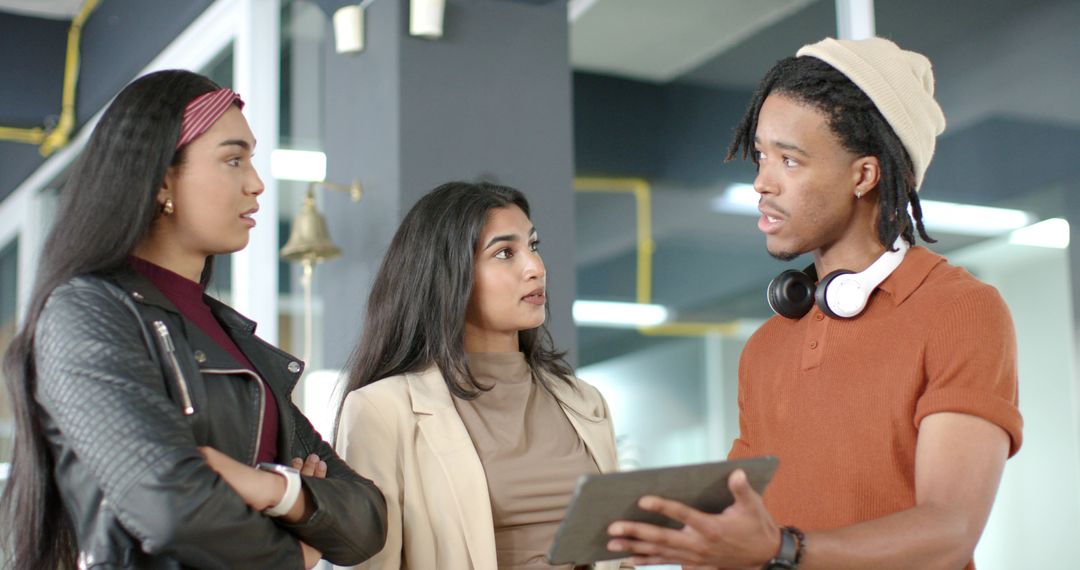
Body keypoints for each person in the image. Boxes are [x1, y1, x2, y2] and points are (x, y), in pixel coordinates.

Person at [606, 37, 1022, 569]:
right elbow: (741, 533)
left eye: (790, 160)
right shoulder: (765, 348)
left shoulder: (960, 311)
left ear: (864, 175)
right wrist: (681, 540)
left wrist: (782, 550)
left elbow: (949, 532)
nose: (761, 181)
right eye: (760, 156)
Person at [0, 69, 386, 570]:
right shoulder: (86, 312)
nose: (257, 183)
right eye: (233, 159)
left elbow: (368, 522)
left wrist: (272, 488)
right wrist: (296, 550)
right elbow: (169, 507)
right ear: (162, 179)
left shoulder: (231, 336)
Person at [334, 181, 624, 569]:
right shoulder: (381, 410)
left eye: (533, 246)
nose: (535, 268)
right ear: (448, 275)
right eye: (505, 253)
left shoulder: (585, 402)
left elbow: (617, 556)